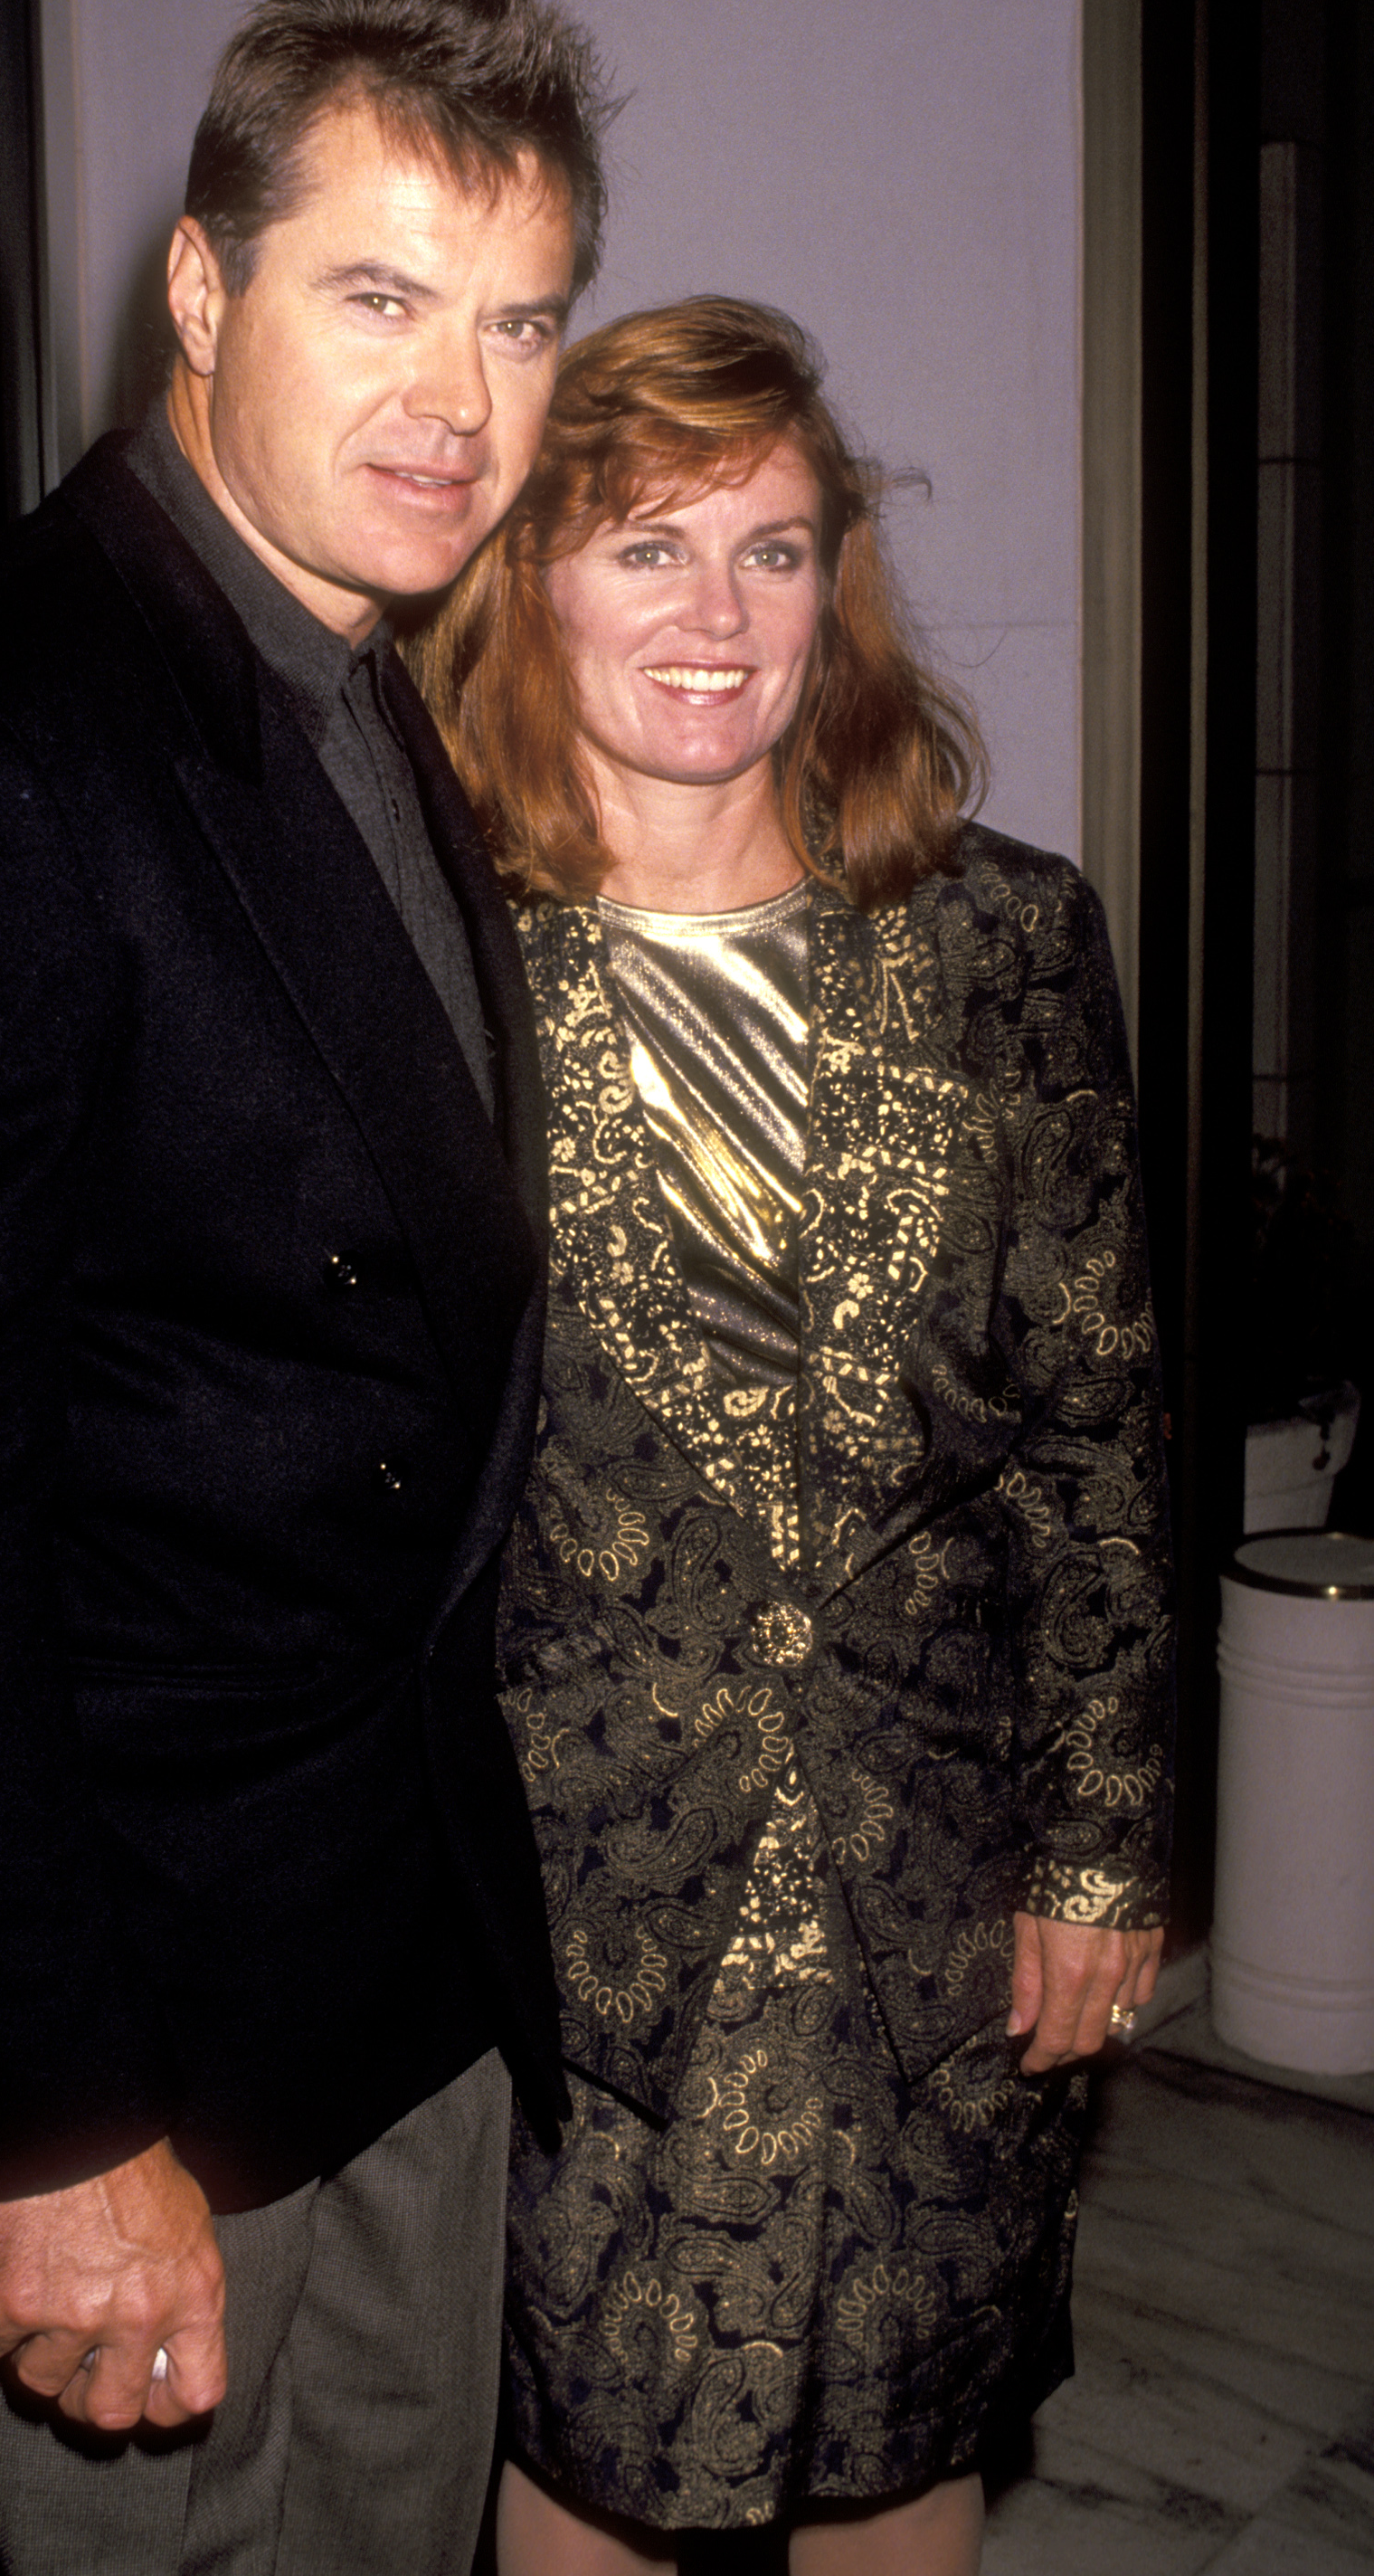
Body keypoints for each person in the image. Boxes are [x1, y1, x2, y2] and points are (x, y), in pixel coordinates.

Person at [0, 0, 613, 2576]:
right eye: (375, 297)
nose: (458, 400)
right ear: (202, 294)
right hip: (119, 2038)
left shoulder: (368, 694)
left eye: (517, 321)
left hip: (381, 1964)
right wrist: (42, 2118)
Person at [410, 299, 1174, 2574]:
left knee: (903, 2416)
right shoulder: (432, 961)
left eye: (771, 550)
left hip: (929, 1854)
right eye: (646, 550)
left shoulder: (1000, 942)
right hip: (571, 1899)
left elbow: (1096, 1426)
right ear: (531, 578)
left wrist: (1104, 1845)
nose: (716, 618)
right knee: (581, 2432)